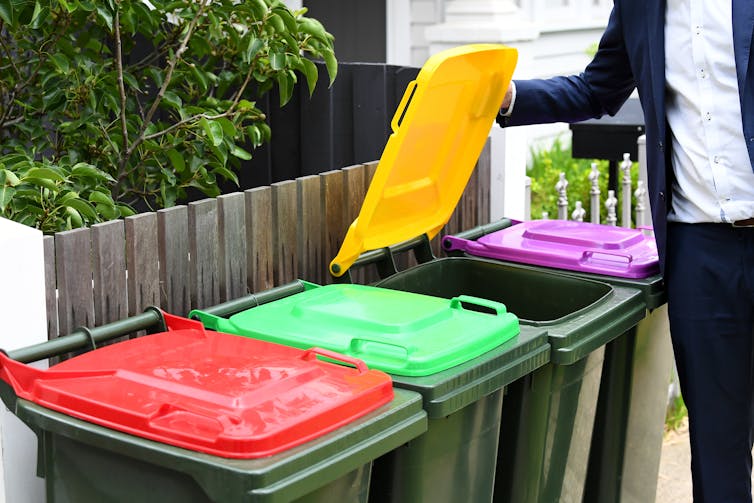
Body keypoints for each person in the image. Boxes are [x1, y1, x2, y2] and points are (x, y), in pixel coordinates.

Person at [497, 1, 754, 501]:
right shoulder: (640, 6)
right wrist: (507, 97)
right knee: (717, 442)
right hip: (699, 250)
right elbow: (598, 88)